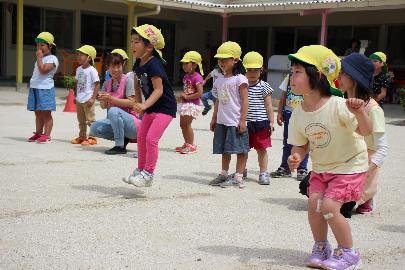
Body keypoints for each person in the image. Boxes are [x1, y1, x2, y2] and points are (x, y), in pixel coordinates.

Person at [287, 45, 372, 269]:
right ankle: (322, 247)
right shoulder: (298, 112)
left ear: (317, 75)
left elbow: (365, 131)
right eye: (291, 71)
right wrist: (296, 156)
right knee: (314, 205)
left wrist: (361, 112)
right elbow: (301, 144)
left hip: (349, 166)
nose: (291, 77)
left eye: (297, 72)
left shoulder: (339, 105)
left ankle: (350, 254)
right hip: (322, 168)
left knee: (329, 207)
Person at [122, 24, 176, 187]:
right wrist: (138, 103)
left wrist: (144, 105)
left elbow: (159, 90)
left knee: (151, 139)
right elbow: (137, 83)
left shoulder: (154, 64)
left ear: (149, 47)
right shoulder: (138, 63)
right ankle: (140, 171)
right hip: (151, 107)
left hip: (165, 108)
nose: (132, 45)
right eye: (132, 41)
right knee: (141, 138)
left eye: (137, 42)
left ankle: (148, 174)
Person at [339, 53, 388, 214]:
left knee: (341, 208)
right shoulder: (340, 102)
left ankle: (365, 198)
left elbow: (382, 148)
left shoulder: (373, 110)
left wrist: (366, 169)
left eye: (342, 73)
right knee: (310, 188)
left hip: (364, 164)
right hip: (344, 159)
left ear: (355, 78)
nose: (338, 76)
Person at [208, 41, 249, 189]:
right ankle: (224, 174)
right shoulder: (219, 79)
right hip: (222, 121)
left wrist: (243, 120)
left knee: (240, 149)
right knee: (224, 149)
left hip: (235, 121)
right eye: (219, 59)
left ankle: (238, 176)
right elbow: (218, 99)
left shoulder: (240, 79)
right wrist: (214, 118)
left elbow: (245, 100)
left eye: (225, 59)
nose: (221, 62)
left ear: (236, 60)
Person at [90, 49, 140, 155]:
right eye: (113, 66)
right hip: (116, 121)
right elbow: (104, 107)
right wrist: (102, 99)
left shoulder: (128, 81)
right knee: (94, 128)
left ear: (123, 66)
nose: (116, 69)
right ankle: (123, 139)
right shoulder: (107, 83)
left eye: (119, 66)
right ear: (107, 68)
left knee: (113, 110)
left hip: (133, 125)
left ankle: (119, 146)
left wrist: (111, 99)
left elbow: (132, 102)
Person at [270, 73, 310, 181]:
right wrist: (279, 112)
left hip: (305, 115)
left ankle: (302, 168)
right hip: (289, 114)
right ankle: (285, 167)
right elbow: (283, 96)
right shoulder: (289, 77)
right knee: (287, 143)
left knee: (303, 143)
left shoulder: (310, 77)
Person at [242, 51, 274, 185]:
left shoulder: (264, 86)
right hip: (246, 122)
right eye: (249, 70)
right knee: (243, 149)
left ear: (261, 70)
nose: (252, 73)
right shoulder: (242, 85)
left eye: (255, 70)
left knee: (262, 149)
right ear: (245, 70)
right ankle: (241, 170)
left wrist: (271, 121)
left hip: (261, 123)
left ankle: (263, 172)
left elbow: (269, 105)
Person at [27, 32, 59, 144]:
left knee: (46, 113)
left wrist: (39, 58)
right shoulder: (40, 59)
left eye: (42, 45)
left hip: (45, 89)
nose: (39, 48)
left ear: (50, 46)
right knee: (37, 113)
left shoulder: (53, 58)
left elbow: (43, 70)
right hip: (35, 88)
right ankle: (38, 133)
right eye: (38, 45)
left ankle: (47, 135)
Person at [175, 51, 204, 154]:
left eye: (186, 63)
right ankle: (186, 143)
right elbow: (187, 90)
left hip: (192, 105)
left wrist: (187, 97)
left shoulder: (197, 77)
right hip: (186, 103)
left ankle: (191, 145)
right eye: (183, 63)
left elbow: (200, 93)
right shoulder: (186, 76)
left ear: (195, 65)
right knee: (182, 124)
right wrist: (182, 97)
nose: (184, 66)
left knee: (187, 124)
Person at [71, 45, 100, 146]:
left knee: (90, 119)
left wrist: (93, 98)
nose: (79, 56)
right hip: (80, 99)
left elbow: (97, 84)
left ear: (89, 57)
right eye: (78, 54)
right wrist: (75, 96)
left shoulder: (92, 70)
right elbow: (77, 84)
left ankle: (93, 137)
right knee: (81, 120)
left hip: (88, 99)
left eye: (82, 55)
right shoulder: (78, 69)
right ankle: (82, 137)